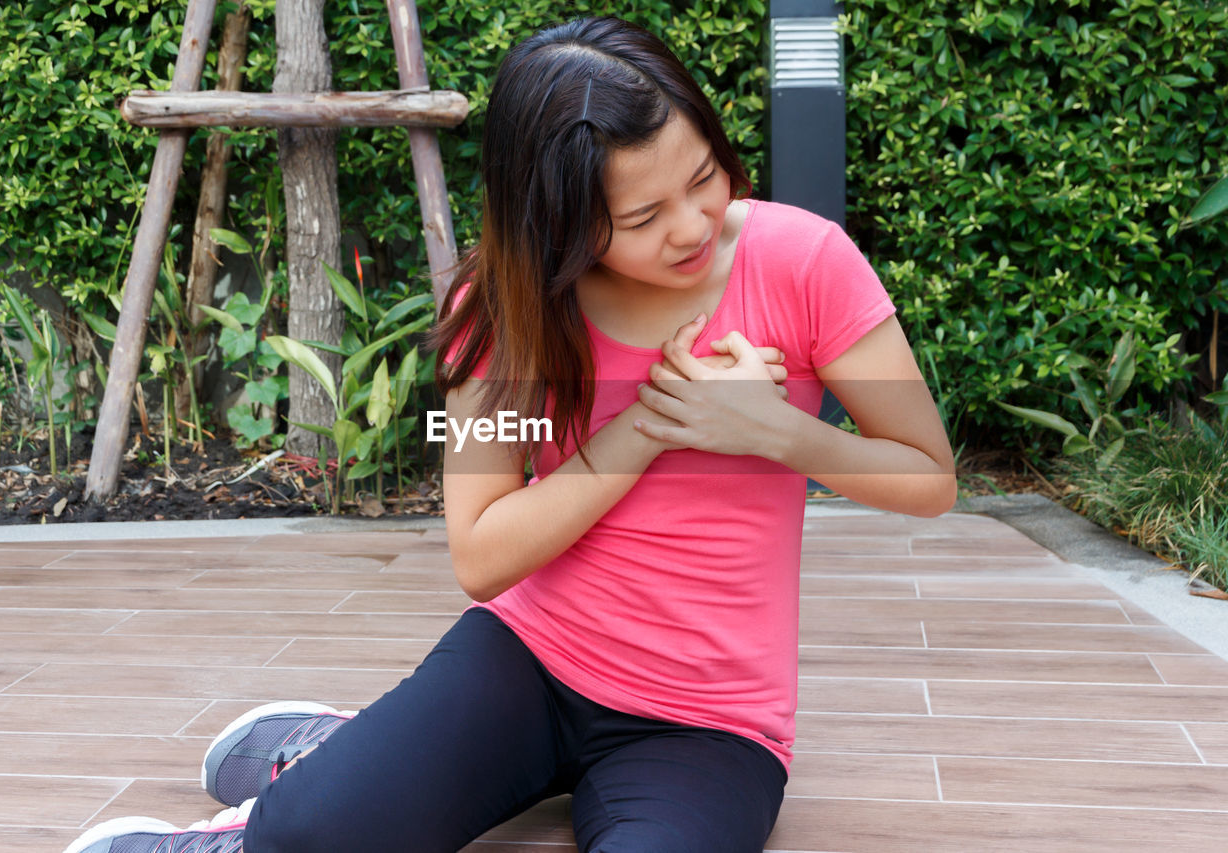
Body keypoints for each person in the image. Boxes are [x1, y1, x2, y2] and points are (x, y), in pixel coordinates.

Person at [64, 15, 954, 853]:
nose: (692, 225)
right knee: (308, 838)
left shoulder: (803, 264)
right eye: (643, 218)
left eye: (704, 177)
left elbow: (927, 477)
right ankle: (324, 765)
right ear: (558, 220)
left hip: (710, 718)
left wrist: (778, 433)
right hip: (531, 660)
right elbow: (482, 551)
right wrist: (647, 425)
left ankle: (352, 746)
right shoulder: (504, 310)